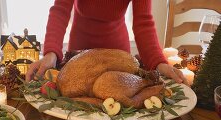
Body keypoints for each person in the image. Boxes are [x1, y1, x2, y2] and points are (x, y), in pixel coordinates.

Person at [26, 0, 188, 85]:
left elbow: (143, 22)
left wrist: (159, 63)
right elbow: (60, 11)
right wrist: (51, 53)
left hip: (118, 51)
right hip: (79, 50)